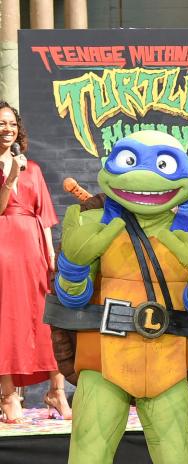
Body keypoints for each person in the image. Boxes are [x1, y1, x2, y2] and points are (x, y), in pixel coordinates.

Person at [0, 101, 71, 423]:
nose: (7, 129)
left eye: (12, 124)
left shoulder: (35, 169)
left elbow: (44, 217)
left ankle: (56, 391)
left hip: (33, 250)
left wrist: (51, 255)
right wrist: (11, 177)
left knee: (43, 321)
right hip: (3, 249)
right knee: (8, 322)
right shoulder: (15, 169)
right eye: (2, 123)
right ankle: (8, 395)